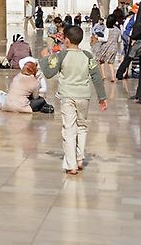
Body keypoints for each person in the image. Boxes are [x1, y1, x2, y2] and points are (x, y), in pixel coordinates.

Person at [37, 25, 108, 175]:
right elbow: (97, 76)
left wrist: (44, 58)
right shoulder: (88, 56)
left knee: (69, 129)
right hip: (84, 96)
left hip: (68, 96)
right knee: (82, 126)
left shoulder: (62, 55)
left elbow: (49, 72)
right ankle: (80, 158)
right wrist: (102, 97)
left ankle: (71, 164)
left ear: (66, 40)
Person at [92, 14, 121, 83]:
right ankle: (113, 77)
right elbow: (119, 40)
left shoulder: (107, 29)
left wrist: (97, 38)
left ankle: (103, 75)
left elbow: (105, 39)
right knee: (110, 63)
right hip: (114, 47)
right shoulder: (118, 30)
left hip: (106, 47)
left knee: (101, 60)